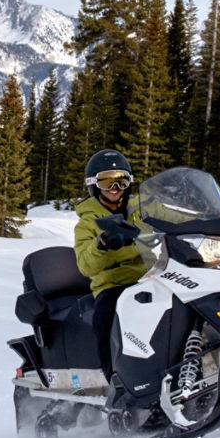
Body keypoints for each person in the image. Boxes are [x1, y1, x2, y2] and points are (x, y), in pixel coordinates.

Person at [73, 149, 147, 392]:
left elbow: (174, 217)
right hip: (114, 285)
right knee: (107, 315)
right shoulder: (88, 222)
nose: (115, 187)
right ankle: (116, 382)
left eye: (121, 180)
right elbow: (85, 265)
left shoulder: (144, 209)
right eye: (107, 181)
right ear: (94, 185)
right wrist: (101, 244)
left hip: (152, 276)